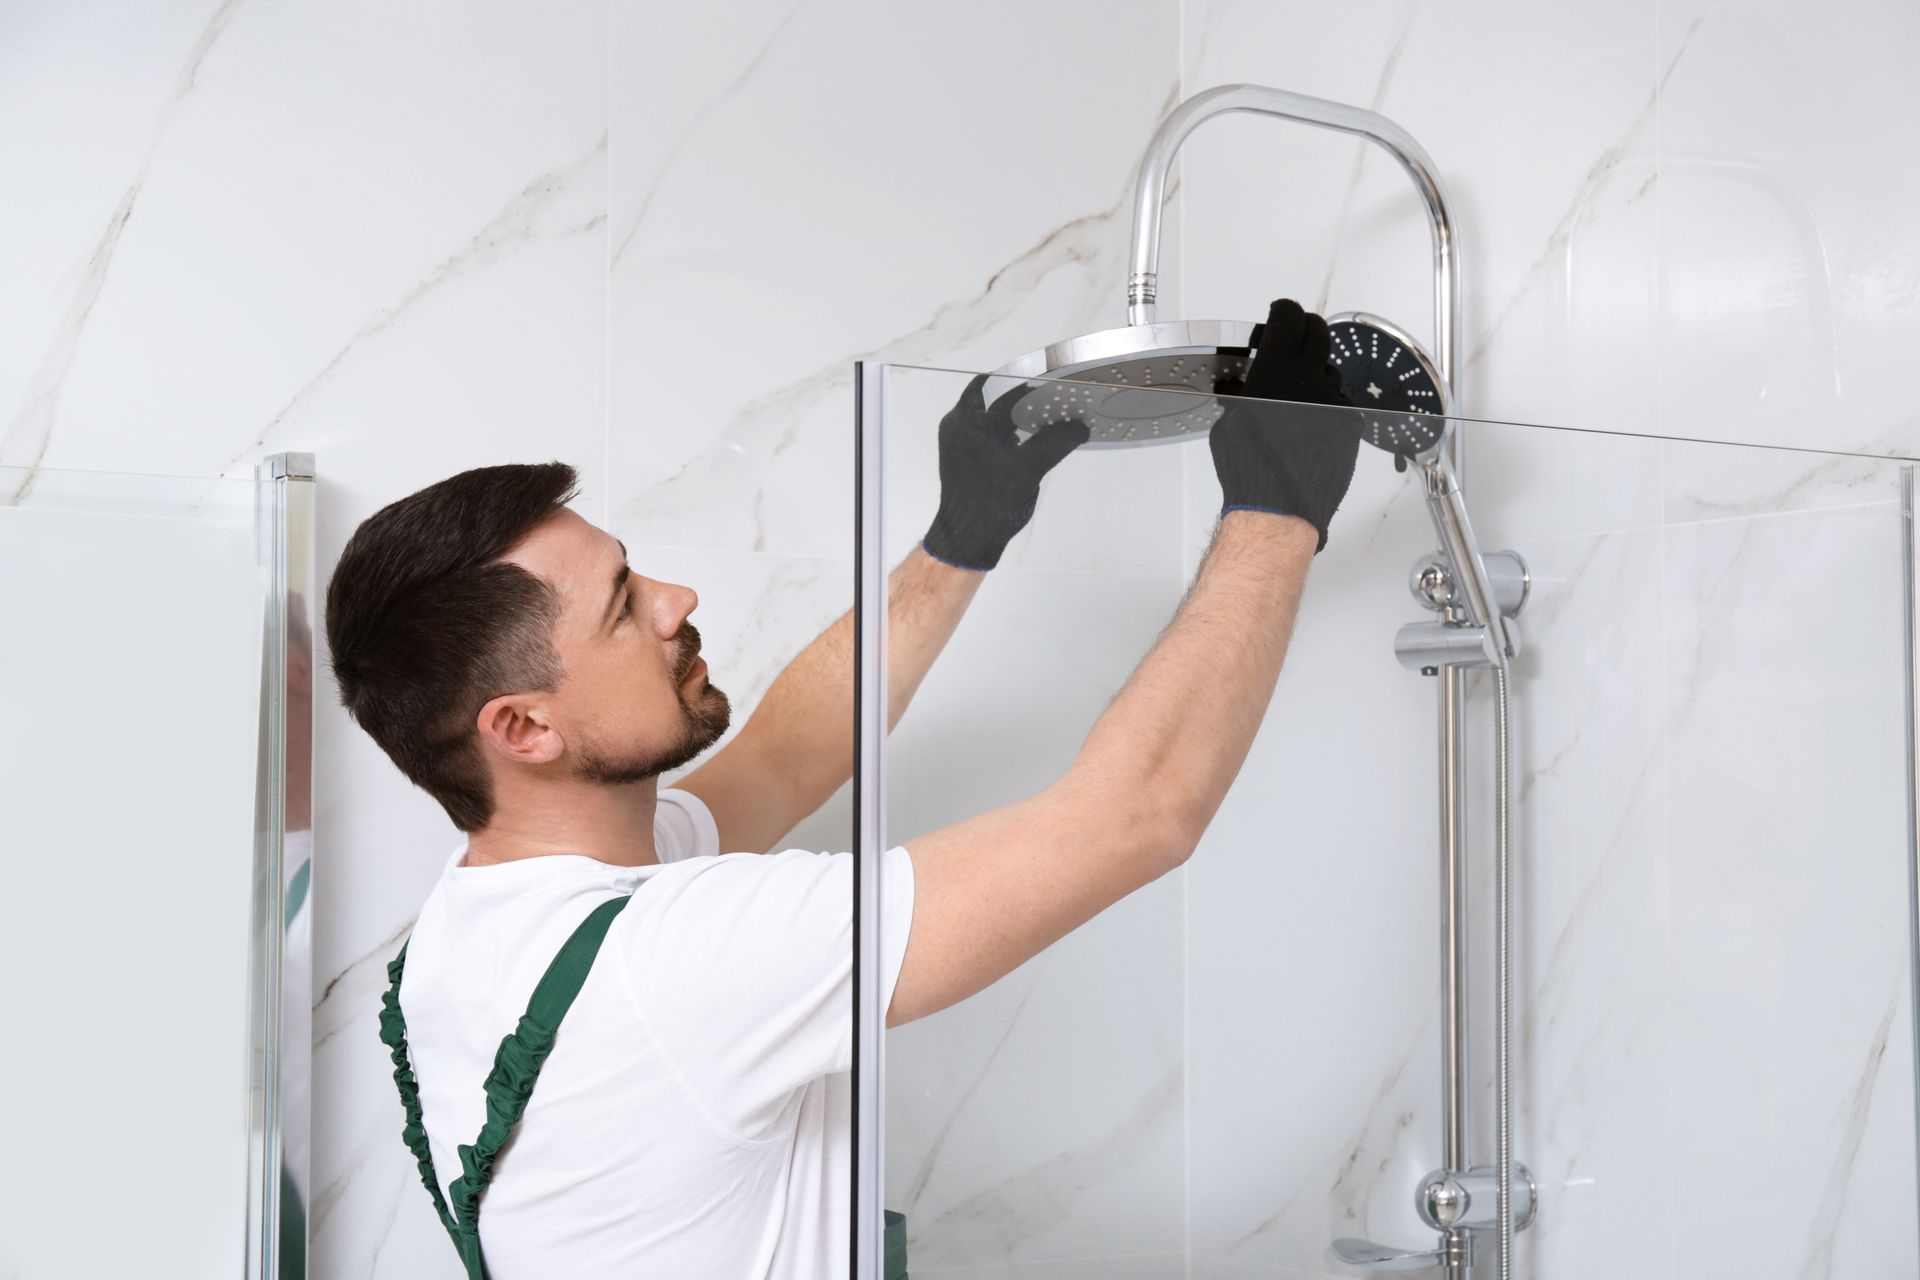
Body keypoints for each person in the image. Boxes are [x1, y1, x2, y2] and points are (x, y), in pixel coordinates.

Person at [323, 298, 1359, 1278]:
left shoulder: (493, 920)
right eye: (622, 607)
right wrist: (1277, 514)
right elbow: (1138, 812)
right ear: (524, 727)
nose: (677, 598)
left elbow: (783, 753)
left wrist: (962, 533)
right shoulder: (670, 961)